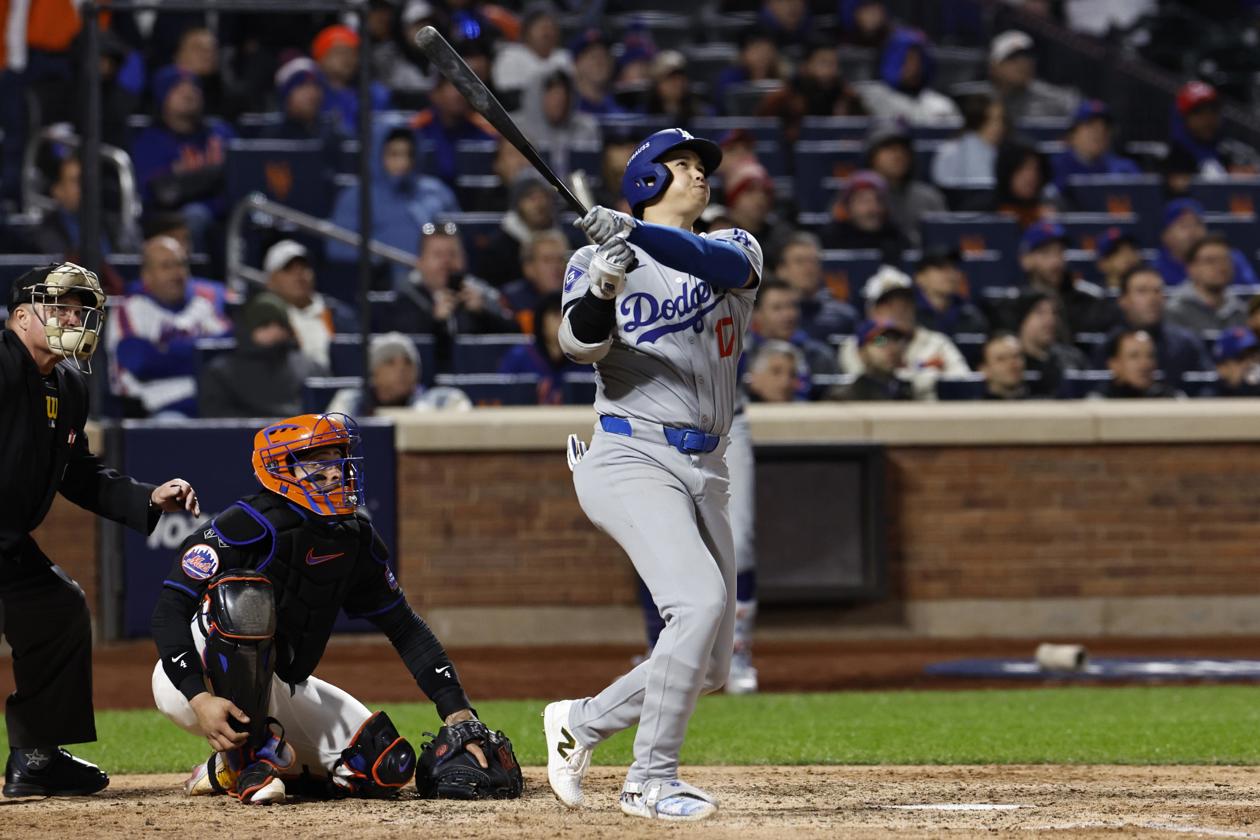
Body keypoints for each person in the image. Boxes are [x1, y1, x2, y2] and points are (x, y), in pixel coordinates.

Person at [546, 127, 763, 821]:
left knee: (711, 665)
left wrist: (635, 240)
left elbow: (713, 265)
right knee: (694, 606)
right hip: (630, 453)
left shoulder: (735, 244)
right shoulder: (593, 258)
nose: (699, 175)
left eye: (702, 166)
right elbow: (579, 345)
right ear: (645, 183)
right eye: (682, 165)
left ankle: (581, 722)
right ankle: (649, 780)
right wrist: (607, 279)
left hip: (709, 463)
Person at [150, 413, 515, 804]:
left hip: (278, 684)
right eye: (318, 462)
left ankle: (230, 766)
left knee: (384, 766)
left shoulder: (354, 538)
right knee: (244, 597)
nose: (335, 473)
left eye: (338, 460)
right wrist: (198, 698)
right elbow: (169, 609)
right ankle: (248, 761)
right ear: (281, 470)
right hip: (193, 683)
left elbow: (405, 628)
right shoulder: (244, 525)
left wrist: (458, 712)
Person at [1, 263, 199, 798]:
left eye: (78, 308)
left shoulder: (67, 384)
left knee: (58, 608)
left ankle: (37, 758)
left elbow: (78, 473)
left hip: (7, 542)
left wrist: (146, 497)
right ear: (20, 317)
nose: (72, 317)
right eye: (58, 306)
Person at [108, 236, 232, 418]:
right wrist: (202, 354)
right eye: (166, 266)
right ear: (146, 276)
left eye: (181, 264)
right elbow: (142, 363)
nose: (177, 273)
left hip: (211, 406)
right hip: (153, 412)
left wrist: (167, 351)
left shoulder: (203, 306)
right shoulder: (130, 309)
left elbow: (231, 352)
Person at [131, 66, 236, 253]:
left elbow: (241, 174)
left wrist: (191, 181)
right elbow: (163, 193)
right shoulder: (150, 141)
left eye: (194, 87)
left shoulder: (220, 132)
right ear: (163, 96)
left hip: (224, 209)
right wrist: (214, 176)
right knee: (195, 216)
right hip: (172, 217)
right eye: (178, 87)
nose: (189, 92)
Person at [327, 127, 460, 263]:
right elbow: (338, 248)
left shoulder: (437, 192)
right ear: (377, 155)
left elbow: (457, 242)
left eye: (409, 154)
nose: (403, 163)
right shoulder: (355, 198)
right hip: (379, 281)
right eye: (394, 154)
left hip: (434, 279)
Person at [840, 265, 969, 400]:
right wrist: (927, 376)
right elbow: (867, 381)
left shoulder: (937, 342)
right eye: (890, 304)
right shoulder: (860, 343)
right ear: (873, 310)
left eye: (906, 302)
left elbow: (961, 381)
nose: (900, 309)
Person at [386, 222, 518, 348]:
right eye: (438, 255)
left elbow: (515, 338)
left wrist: (482, 314)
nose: (446, 261)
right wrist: (437, 321)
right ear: (420, 262)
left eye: (453, 254)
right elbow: (404, 347)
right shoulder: (406, 298)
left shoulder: (482, 293)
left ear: (464, 259)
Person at [198, 292, 327, 418]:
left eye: (280, 324)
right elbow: (217, 419)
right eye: (264, 324)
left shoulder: (309, 367)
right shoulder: (220, 373)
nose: (274, 330)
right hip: (243, 438)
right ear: (248, 328)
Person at [1099, 264, 1211, 386]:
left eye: (1157, 291)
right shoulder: (1109, 345)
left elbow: (1206, 386)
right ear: (1123, 300)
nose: (1152, 299)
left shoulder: (1186, 343)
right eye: (1142, 291)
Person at [263, 240, 356, 370]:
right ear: (271, 281)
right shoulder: (264, 320)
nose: (299, 274)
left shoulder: (340, 314)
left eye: (304, 267)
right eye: (288, 269)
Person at [327, 332, 472, 415]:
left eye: (408, 362)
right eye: (390, 362)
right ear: (374, 373)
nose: (402, 368)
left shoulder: (442, 401)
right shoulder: (350, 402)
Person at [756, 38, 866, 145]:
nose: (829, 70)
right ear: (807, 66)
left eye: (833, 64)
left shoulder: (847, 96)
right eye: (823, 63)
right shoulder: (785, 97)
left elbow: (864, 130)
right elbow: (762, 131)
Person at [1017, 221, 1115, 339]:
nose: (1056, 261)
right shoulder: (1014, 305)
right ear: (1025, 260)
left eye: (1060, 252)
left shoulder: (1088, 302)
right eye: (1046, 253)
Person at [1165, 80, 1259, 194]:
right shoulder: (1174, 159)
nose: (1208, 119)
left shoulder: (1230, 152)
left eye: (1213, 111)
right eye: (1199, 112)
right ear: (1182, 119)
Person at [751, 279, 840, 399]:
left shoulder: (819, 357)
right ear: (757, 314)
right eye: (777, 308)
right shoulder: (741, 356)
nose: (788, 315)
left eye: (792, 306)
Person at [410, 66, 497, 189]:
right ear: (434, 93)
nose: (458, 94)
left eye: (462, 87)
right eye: (450, 86)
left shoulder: (486, 131)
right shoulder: (417, 128)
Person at [864, 120, 946, 248]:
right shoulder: (857, 197)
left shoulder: (929, 197)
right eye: (889, 149)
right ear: (872, 156)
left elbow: (944, 242)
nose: (898, 155)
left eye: (903, 149)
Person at [855, 28, 960, 126]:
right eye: (907, 59)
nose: (914, 66)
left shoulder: (941, 105)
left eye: (918, 59)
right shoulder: (871, 96)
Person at [512, 67, 601, 179]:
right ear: (536, 95)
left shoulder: (586, 128)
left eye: (563, 94)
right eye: (552, 94)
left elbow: (591, 176)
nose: (559, 100)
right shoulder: (516, 127)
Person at [477, 176, 564, 288]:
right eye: (531, 198)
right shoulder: (498, 247)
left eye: (544, 197)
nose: (539, 204)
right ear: (517, 203)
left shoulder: (563, 241)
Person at [498, 294, 584, 405]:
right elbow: (502, 396)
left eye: (569, 314)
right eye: (556, 314)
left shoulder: (585, 358)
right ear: (541, 322)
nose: (564, 320)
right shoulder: (519, 356)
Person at [1050, 100, 1140, 206]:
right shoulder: (1053, 167)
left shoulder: (1125, 169)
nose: (1099, 132)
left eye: (1105, 127)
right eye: (1090, 125)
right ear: (1072, 134)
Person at [1155, 198, 1258, 288]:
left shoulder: (1231, 258)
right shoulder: (1156, 269)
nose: (1192, 232)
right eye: (1183, 226)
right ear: (1165, 235)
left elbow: (1251, 293)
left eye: (1198, 224)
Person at [773, 232, 857, 341]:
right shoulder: (767, 317)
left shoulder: (844, 317)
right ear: (781, 270)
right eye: (799, 261)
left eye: (814, 261)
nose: (808, 269)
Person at [311, 25, 390, 135]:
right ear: (321, 58)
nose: (347, 58)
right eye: (339, 52)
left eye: (352, 53)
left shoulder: (374, 94)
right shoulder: (311, 92)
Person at [986, 30, 1078, 123]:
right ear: (994, 66)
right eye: (1013, 57)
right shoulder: (978, 102)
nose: (1024, 62)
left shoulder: (1059, 100)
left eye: (1028, 56)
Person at [1165, 234, 1249, 335]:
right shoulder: (1173, 312)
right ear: (1191, 269)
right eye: (1210, 261)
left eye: (1225, 259)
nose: (1221, 266)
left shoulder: (1242, 312)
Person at [820, 170, 909, 264]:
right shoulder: (830, 237)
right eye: (864, 201)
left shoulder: (894, 235)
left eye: (878, 200)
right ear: (848, 207)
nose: (873, 208)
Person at [491, 2, 571, 106]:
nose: (547, 31)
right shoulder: (511, 55)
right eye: (541, 26)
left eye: (551, 26)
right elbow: (508, 98)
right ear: (526, 31)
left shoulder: (564, 57)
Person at [1013, 290, 1088, 399]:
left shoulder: (1073, 358)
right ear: (1022, 319)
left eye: (1054, 313)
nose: (1050, 320)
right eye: (1040, 313)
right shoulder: (1011, 361)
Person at [931, 91, 1005, 189]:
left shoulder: (1004, 152)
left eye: (1001, 119)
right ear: (977, 120)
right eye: (993, 120)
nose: (1000, 126)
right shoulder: (950, 153)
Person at [913, 248, 989, 338]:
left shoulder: (970, 314)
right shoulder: (907, 313)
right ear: (920, 277)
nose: (950, 273)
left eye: (953, 267)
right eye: (940, 268)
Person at [503, 230, 569, 332]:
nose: (556, 267)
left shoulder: (578, 297)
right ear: (529, 268)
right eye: (547, 260)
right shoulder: (511, 301)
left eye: (560, 260)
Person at [836, 319, 914, 401]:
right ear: (861, 352)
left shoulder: (908, 389)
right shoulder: (846, 396)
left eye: (896, 339)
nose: (891, 347)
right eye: (879, 341)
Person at [1098, 329, 1180, 398]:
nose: (1145, 364)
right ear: (1114, 364)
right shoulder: (1097, 403)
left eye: (1150, 356)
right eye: (1134, 356)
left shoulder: (1173, 400)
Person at [993, 141, 1056, 229]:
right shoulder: (986, 210)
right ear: (1007, 171)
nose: (1032, 176)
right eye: (1023, 169)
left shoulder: (1050, 208)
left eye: (1036, 169)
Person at [569, 28, 623, 116]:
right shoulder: (566, 110)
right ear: (576, 63)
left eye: (605, 55)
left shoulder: (620, 111)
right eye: (593, 56)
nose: (599, 62)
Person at [978, 331, 1030, 400]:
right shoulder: (971, 408)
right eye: (1001, 359)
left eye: (1016, 356)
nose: (1012, 363)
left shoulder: (1043, 404)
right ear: (984, 369)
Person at [1211, 327, 1260, 397]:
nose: (1249, 362)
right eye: (1241, 357)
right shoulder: (1206, 397)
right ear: (1222, 367)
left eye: (1252, 355)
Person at [1094, 226, 1142, 295]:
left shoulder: (1155, 296)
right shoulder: (1092, 298)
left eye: (1132, 249)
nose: (1129, 256)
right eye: (1118, 252)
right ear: (1102, 263)